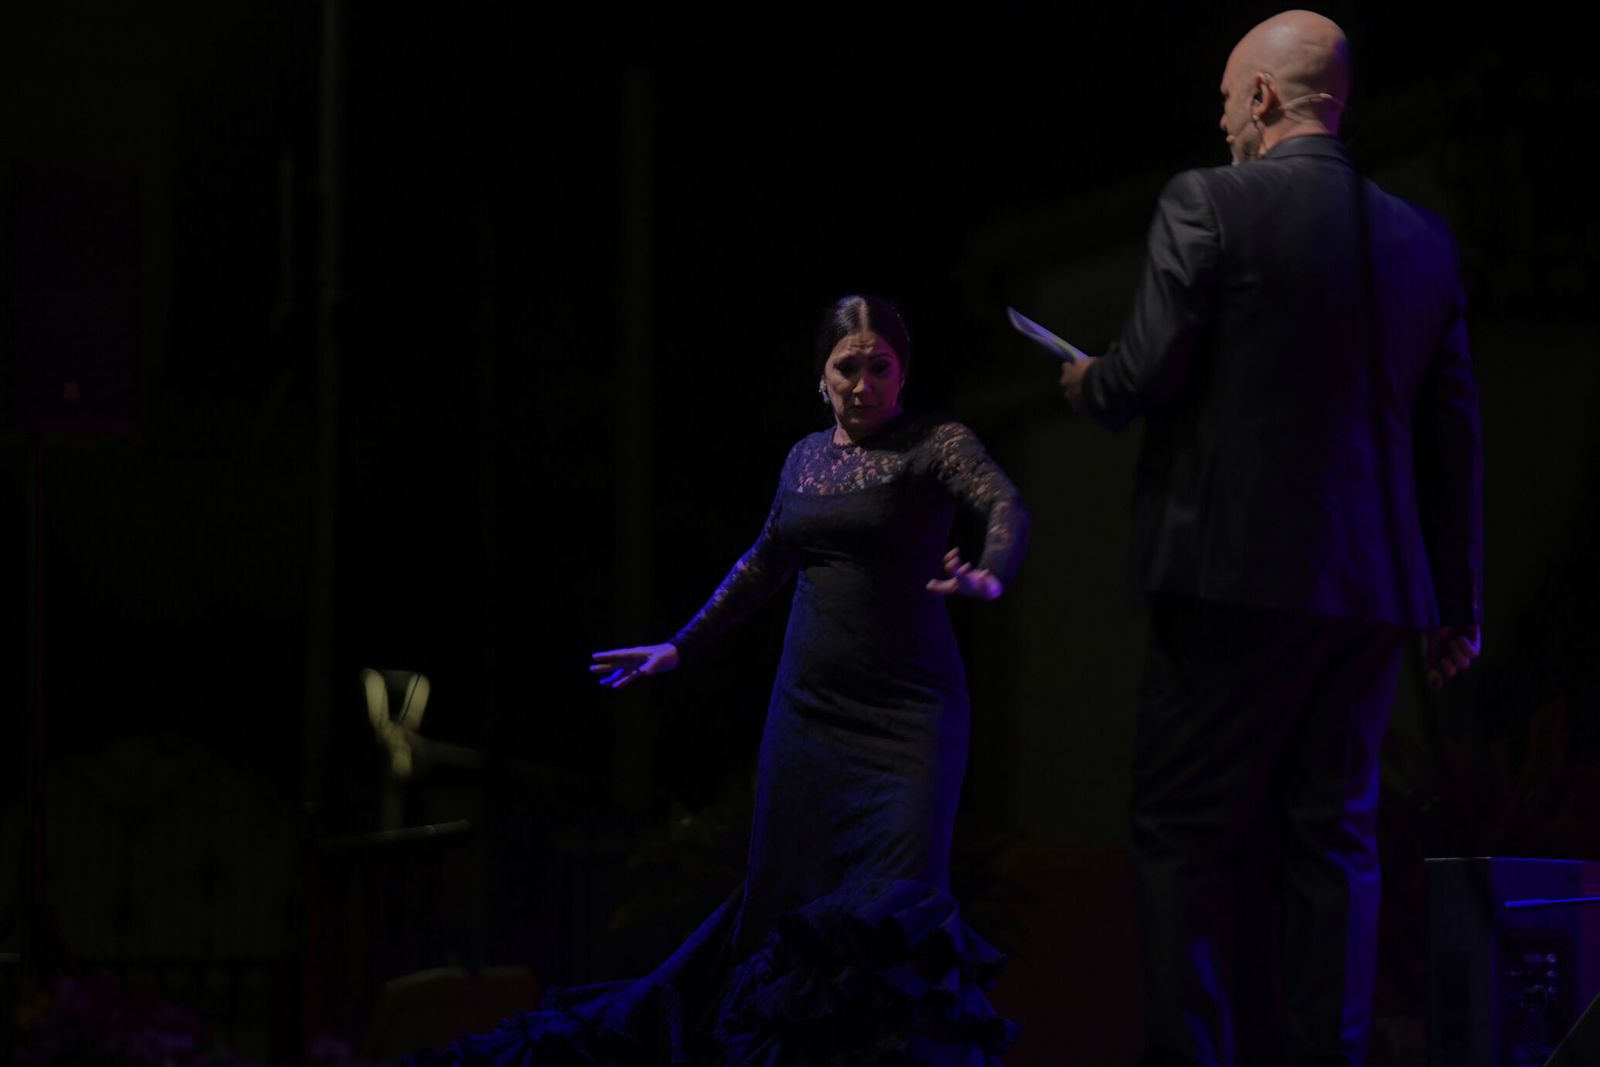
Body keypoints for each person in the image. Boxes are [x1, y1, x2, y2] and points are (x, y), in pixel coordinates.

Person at [411, 294, 1027, 1065]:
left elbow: (1002, 501)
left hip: (910, 715)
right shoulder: (804, 458)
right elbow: (765, 559)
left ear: (902, 372)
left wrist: (991, 573)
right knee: (785, 905)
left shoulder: (935, 441)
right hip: (809, 716)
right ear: (821, 375)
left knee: (895, 906)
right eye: (848, 368)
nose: (864, 383)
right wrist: (681, 645)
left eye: (881, 368)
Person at [1056, 11, 1482, 1066]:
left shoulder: (1209, 202)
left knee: (1182, 840)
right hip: (1373, 591)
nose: (1218, 121)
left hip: (1226, 577)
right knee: (1333, 843)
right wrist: (1455, 599)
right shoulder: (1422, 238)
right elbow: (1452, 430)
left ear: (1259, 99)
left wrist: (1082, 379)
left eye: (1222, 99)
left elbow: (1141, 377)